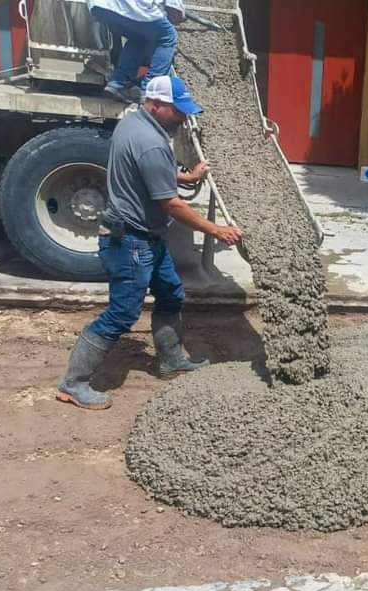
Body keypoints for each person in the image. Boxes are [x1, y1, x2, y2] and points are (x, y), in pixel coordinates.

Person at [56, 75, 242, 410]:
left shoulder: (134, 124)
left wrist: (185, 176)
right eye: (177, 110)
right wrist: (215, 230)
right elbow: (171, 204)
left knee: (171, 293)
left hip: (147, 238)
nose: (184, 116)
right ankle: (73, 383)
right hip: (130, 241)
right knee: (122, 313)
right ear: (155, 104)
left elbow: (145, 169)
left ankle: (171, 360)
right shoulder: (152, 142)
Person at [88, 0, 185, 103]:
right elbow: (175, 9)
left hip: (99, 6)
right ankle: (150, 90)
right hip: (133, 6)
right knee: (168, 36)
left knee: (139, 38)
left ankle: (117, 83)